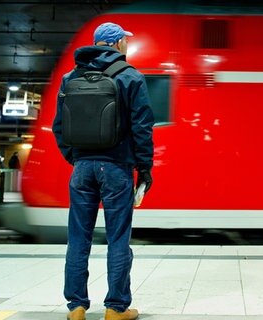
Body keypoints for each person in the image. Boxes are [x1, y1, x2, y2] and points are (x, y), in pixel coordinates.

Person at [52, 22, 154, 320]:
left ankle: (77, 307)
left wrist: (77, 158)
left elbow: (60, 127)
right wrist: (144, 168)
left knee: (78, 238)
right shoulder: (130, 76)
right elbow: (142, 127)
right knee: (118, 238)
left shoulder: (71, 77)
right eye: (126, 41)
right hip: (117, 168)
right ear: (119, 43)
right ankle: (115, 308)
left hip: (82, 169)